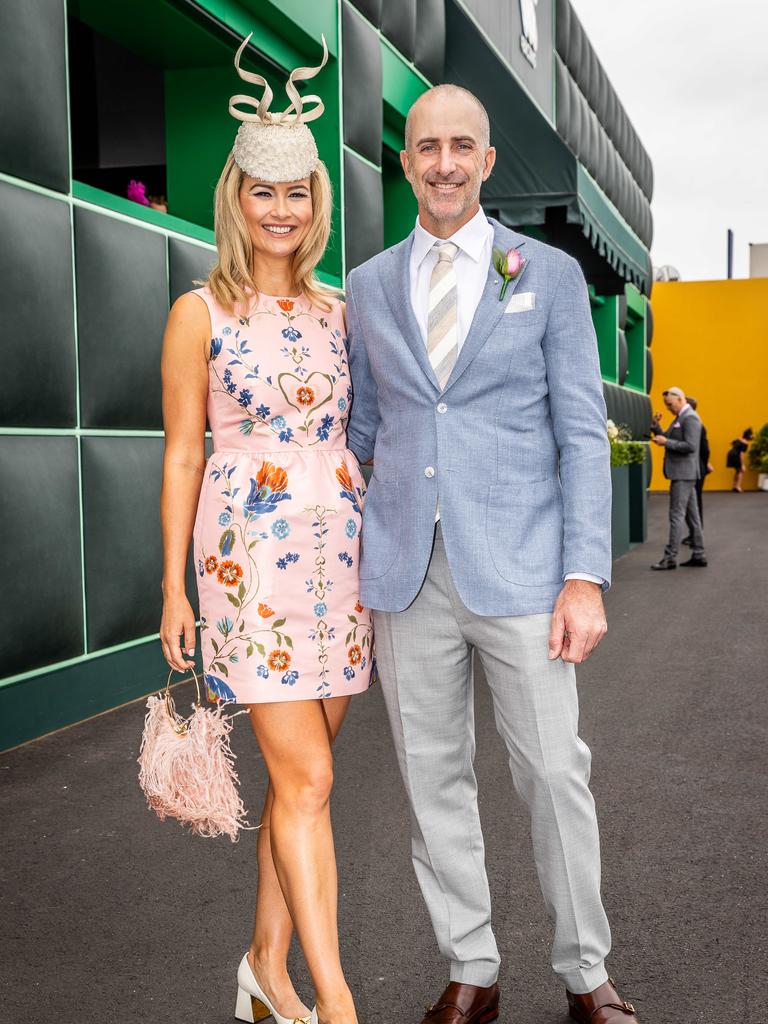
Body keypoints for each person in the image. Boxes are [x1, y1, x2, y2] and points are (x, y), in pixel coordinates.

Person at [346, 84, 639, 1024]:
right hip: (404, 573)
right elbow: (363, 430)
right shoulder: (367, 285)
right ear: (406, 160)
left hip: (522, 572)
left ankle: (586, 972)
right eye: (426, 145)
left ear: (485, 160)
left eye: (461, 145)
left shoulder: (545, 275)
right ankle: (470, 967)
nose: (442, 162)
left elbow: (579, 437)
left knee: (555, 773)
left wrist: (584, 577)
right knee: (433, 781)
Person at [159, 35, 371, 1024]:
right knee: (313, 774)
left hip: (339, 565)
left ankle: (263, 968)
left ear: (315, 202)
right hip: (246, 564)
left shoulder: (339, 310)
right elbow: (182, 454)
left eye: (297, 194)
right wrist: (172, 590)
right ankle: (335, 1002)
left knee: (302, 790)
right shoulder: (198, 311)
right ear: (235, 198)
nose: (280, 211)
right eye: (262, 192)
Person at [650, 386, 706, 569]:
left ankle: (670, 558)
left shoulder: (689, 418)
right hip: (684, 473)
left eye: (670, 404)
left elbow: (690, 446)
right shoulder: (682, 417)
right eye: (666, 405)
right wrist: (656, 426)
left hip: (683, 474)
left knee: (676, 515)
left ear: (680, 399)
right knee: (692, 516)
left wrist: (667, 442)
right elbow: (667, 437)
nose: (668, 408)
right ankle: (699, 554)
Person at [682, 396, 713, 544]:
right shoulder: (692, 422)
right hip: (698, 466)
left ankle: (696, 535)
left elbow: (705, 449)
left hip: (695, 468)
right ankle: (694, 534)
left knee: (694, 503)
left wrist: (704, 464)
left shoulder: (694, 423)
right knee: (692, 503)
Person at [726, 427, 754, 492]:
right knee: (741, 470)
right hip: (736, 455)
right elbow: (741, 454)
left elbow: (732, 443)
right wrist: (742, 464)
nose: (753, 436)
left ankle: (734, 486)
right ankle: (738, 487)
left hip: (730, 454)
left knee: (737, 470)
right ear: (749, 435)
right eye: (752, 434)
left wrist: (735, 448)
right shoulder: (745, 443)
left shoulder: (739, 439)